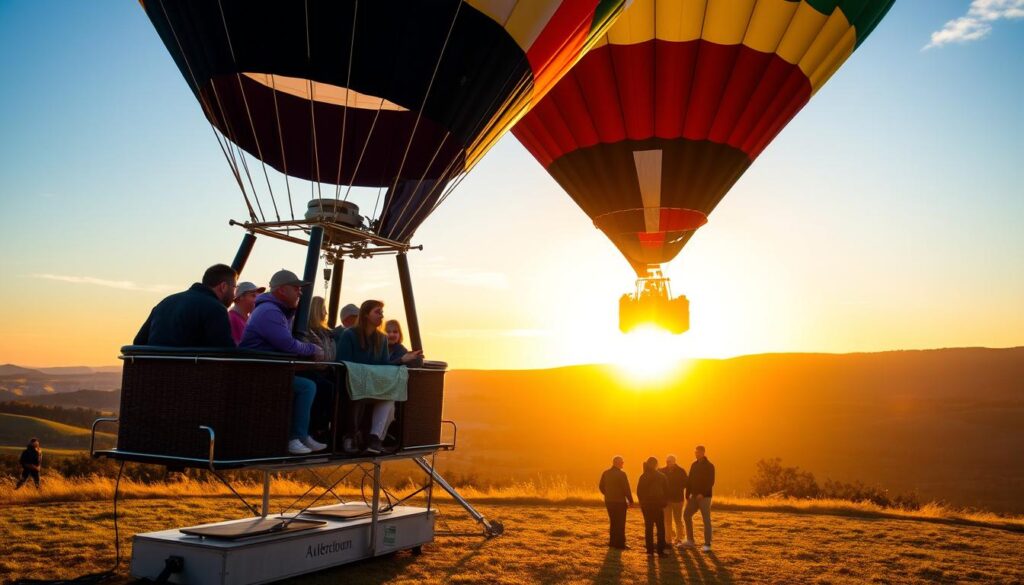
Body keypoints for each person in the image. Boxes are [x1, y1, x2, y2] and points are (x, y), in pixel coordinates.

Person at [239, 269, 327, 455]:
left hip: (271, 368)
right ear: (282, 291)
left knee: (318, 382)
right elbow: (287, 344)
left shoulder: (277, 311)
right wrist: (313, 349)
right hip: (261, 372)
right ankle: (294, 438)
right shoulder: (270, 312)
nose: (300, 293)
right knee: (307, 387)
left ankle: (304, 434)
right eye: (296, 289)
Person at [336, 300, 422, 454]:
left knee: (390, 395)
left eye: (382, 312)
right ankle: (350, 436)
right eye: (378, 312)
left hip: (371, 385)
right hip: (351, 383)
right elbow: (343, 363)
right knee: (360, 393)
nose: (382, 315)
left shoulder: (381, 339)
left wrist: (402, 360)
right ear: (366, 314)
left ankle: (374, 439)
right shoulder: (349, 335)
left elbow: (384, 366)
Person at [133, 264, 237, 347]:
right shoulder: (216, 309)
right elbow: (225, 351)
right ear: (223, 286)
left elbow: (138, 342)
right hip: (194, 372)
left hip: (152, 371)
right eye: (234, 287)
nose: (234, 294)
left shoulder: (164, 303)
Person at [682, 445, 716, 552]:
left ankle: (707, 544)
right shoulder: (694, 465)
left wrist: (702, 493)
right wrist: (687, 494)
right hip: (693, 496)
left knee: (706, 519)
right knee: (686, 515)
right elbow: (690, 480)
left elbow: (711, 482)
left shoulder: (709, 466)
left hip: (705, 497)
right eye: (696, 452)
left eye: (699, 452)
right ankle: (690, 540)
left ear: (703, 452)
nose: (697, 454)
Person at [637, 456, 669, 557]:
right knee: (660, 528)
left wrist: (642, 503)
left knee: (649, 527)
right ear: (656, 464)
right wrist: (664, 503)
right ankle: (660, 551)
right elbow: (666, 491)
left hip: (647, 505)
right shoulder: (661, 476)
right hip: (658, 505)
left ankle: (650, 551)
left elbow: (639, 492)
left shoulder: (643, 476)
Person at [599, 456, 633, 550]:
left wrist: (607, 494)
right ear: (617, 463)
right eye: (622, 462)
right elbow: (626, 488)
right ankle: (620, 544)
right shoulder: (622, 474)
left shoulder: (605, 473)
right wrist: (630, 500)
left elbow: (601, 486)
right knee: (621, 522)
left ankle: (612, 542)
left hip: (609, 501)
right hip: (619, 502)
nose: (623, 464)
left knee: (613, 522)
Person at [660, 454, 689, 545]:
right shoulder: (661, 471)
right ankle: (668, 540)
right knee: (667, 520)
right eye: (667, 461)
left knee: (678, 520)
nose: (668, 463)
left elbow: (686, 484)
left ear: (674, 461)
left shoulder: (681, 471)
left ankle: (679, 538)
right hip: (666, 500)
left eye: (669, 461)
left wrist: (676, 487)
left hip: (678, 499)